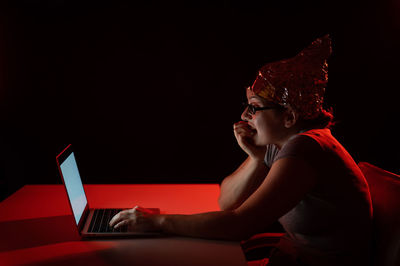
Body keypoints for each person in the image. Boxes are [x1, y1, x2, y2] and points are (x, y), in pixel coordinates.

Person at [109, 35, 373, 266]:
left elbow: (238, 224)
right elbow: (227, 202)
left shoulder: (306, 148)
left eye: (255, 108)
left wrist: (157, 222)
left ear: (289, 117)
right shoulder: (283, 143)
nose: (245, 115)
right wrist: (256, 157)